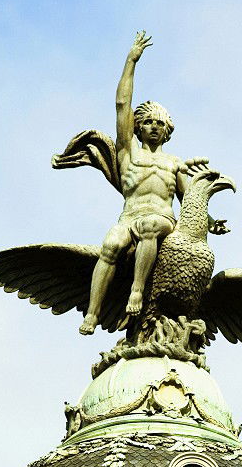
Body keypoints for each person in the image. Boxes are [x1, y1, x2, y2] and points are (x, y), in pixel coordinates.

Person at [79, 31, 228, 335]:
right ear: (139, 126)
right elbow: (122, 103)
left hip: (161, 220)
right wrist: (131, 61)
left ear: (167, 130)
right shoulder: (127, 154)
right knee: (111, 243)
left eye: (161, 124)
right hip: (129, 216)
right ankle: (92, 314)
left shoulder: (174, 164)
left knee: (150, 227)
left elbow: (190, 202)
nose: (155, 127)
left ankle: (136, 290)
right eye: (149, 122)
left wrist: (211, 222)